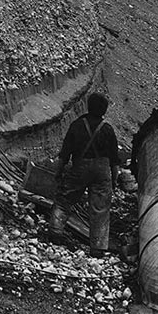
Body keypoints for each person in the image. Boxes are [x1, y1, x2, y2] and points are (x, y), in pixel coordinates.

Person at [50, 92, 120, 257]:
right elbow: (114, 161)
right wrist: (114, 180)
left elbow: (64, 155)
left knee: (64, 199)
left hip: (80, 168)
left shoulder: (76, 125)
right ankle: (98, 248)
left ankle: (55, 230)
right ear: (104, 110)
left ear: (88, 106)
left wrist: (58, 173)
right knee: (100, 209)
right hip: (102, 171)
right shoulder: (108, 129)